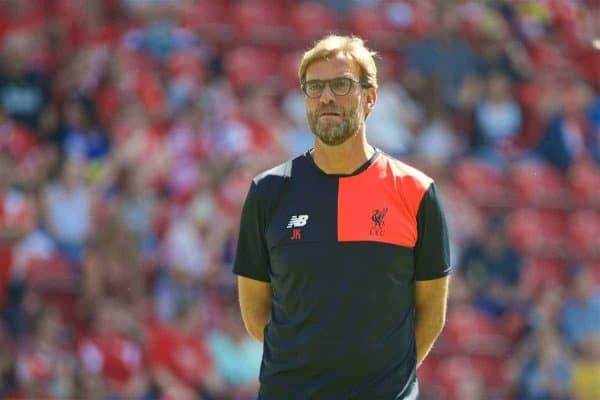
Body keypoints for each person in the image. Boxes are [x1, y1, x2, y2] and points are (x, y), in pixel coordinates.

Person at [233, 35, 451, 399]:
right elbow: (255, 311)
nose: (326, 97)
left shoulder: (416, 192)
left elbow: (431, 313)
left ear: (371, 97)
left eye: (341, 84)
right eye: (314, 87)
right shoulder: (267, 192)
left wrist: (385, 377)